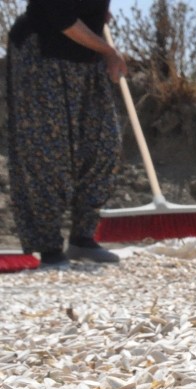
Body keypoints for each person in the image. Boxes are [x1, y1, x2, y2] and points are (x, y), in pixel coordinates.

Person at [7, 0, 127, 267]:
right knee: (48, 150)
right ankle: (47, 245)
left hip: (86, 58)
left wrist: (96, 12)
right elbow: (59, 15)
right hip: (42, 54)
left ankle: (82, 238)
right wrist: (109, 50)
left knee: (103, 145)